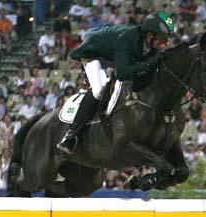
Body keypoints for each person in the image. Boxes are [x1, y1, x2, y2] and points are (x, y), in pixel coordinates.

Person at [57, 11, 174, 154]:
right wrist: (150, 64)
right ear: (150, 36)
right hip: (95, 53)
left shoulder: (149, 45)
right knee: (99, 89)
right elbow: (123, 74)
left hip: (114, 58)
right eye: (163, 40)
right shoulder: (126, 38)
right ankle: (71, 135)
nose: (165, 44)